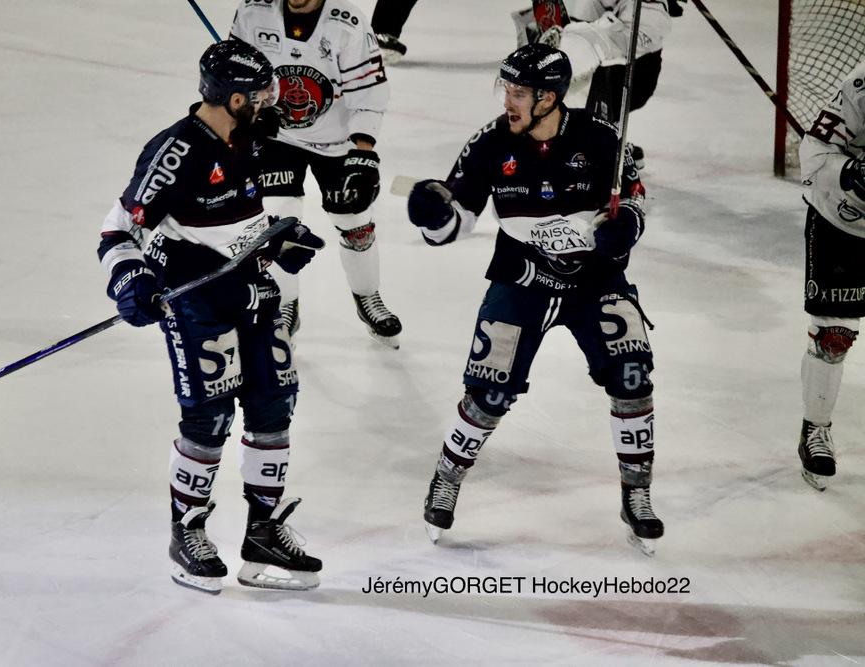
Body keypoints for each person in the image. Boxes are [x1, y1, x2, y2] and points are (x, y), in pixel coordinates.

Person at [407, 44, 662, 555]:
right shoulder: (490, 143)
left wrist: (625, 228)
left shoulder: (600, 136)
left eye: (519, 92)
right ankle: (447, 477)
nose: (509, 101)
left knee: (632, 377)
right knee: (488, 393)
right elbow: (457, 216)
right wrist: (435, 217)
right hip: (522, 278)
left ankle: (637, 493)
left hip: (595, 281)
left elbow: (635, 201)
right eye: (506, 89)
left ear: (549, 97)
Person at [97, 40, 325, 592]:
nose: (270, 102)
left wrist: (278, 240)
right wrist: (130, 279)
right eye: (261, 94)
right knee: (209, 415)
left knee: (274, 401)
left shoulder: (245, 137)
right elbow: (117, 230)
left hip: (253, 288)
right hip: (195, 296)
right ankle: (188, 532)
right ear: (236, 99)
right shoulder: (175, 151)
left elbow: (236, 220)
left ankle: (263, 532)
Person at [230, 0, 403, 348]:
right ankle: (285, 304)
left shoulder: (348, 23)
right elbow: (232, 77)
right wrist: (251, 113)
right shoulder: (253, 11)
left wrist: (363, 153)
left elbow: (368, 94)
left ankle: (367, 296)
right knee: (278, 226)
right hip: (278, 137)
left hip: (338, 141)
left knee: (356, 225)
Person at [795, 57, 865, 491]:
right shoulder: (861, 86)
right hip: (846, 218)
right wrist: (851, 173)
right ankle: (815, 429)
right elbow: (814, 153)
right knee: (834, 334)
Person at [512, 0, 674, 167]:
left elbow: (636, 37)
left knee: (580, 56)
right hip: (597, 61)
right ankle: (577, 140)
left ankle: (591, 140)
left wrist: (576, 38)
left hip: (621, 67)